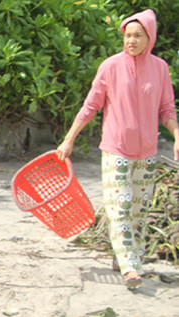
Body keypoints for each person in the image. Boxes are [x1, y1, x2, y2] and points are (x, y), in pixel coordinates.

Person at [56, 8, 178, 290]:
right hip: (116, 150)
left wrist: (176, 135)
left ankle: (121, 257)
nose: (131, 41)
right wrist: (70, 138)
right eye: (127, 36)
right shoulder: (110, 67)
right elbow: (90, 106)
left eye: (138, 36)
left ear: (150, 38)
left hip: (147, 153)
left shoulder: (160, 68)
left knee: (138, 210)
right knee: (120, 209)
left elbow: (166, 108)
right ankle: (130, 268)